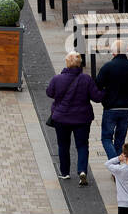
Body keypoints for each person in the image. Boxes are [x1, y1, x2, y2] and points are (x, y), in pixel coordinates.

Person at [45, 51, 105, 184]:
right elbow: (96, 98)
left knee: (63, 145)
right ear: (79, 64)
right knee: (82, 145)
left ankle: (65, 172)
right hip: (82, 118)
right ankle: (82, 170)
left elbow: (49, 93)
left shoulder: (57, 79)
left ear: (67, 63)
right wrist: (105, 90)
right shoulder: (86, 79)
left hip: (61, 118)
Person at [95, 39, 128, 160]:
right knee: (120, 140)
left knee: (106, 138)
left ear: (113, 53)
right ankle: (117, 166)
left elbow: (97, 85)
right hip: (126, 108)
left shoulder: (107, 67)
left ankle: (115, 164)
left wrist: (103, 94)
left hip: (110, 108)